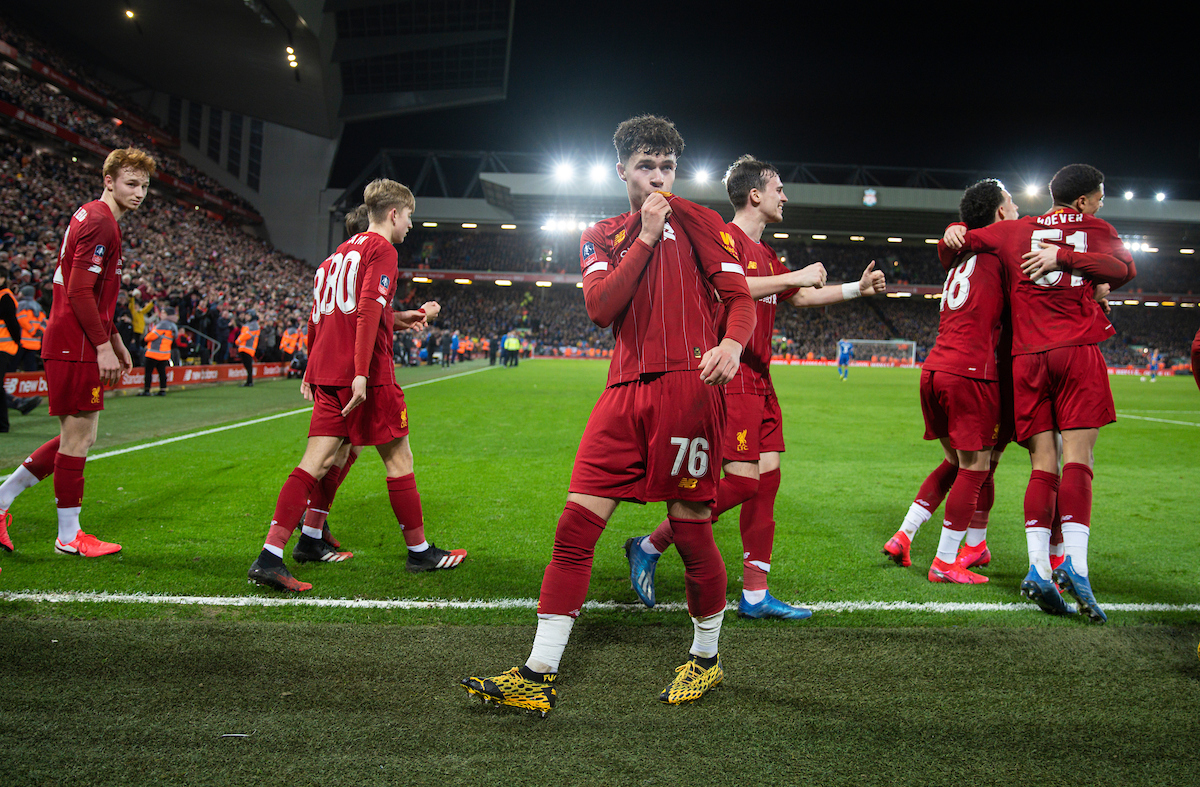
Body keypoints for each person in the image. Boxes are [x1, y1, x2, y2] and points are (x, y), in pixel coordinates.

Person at [461, 115, 756, 714]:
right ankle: (537, 671)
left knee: (692, 526)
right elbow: (600, 307)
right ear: (622, 170)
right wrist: (645, 237)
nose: (657, 178)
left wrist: (732, 343)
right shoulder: (602, 234)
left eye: (667, 168)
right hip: (622, 393)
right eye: (646, 167)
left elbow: (740, 300)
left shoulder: (702, 222)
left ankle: (705, 659)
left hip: (688, 389)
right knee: (575, 528)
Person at [624, 155, 886, 618]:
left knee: (767, 481)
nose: (785, 196)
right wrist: (792, 276)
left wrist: (854, 290)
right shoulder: (718, 237)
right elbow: (732, 284)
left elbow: (800, 295)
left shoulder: (766, 252)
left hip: (762, 378)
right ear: (755, 195)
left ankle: (755, 594)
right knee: (743, 484)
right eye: (779, 188)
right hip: (733, 373)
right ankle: (649, 544)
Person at [246, 178, 465, 592]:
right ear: (394, 214)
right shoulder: (383, 250)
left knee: (315, 462)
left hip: (328, 372)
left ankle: (271, 554)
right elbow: (365, 309)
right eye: (410, 217)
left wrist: (313, 369)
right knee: (400, 460)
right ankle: (420, 552)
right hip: (366, 375)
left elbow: (323, 316)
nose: (411, 227)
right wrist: (363, 373)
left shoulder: (332, 259)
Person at [941, 164, 1135, 622]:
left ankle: (1037, 568)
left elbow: (958, 242)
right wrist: (1071, 261)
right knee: (1078, 460)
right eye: (1100, 196)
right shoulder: (1096, 228)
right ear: (1084, 201)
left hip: (1026, 360)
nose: (1102, 203)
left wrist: (952, 228)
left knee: (1042, 463)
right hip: (1076, 352)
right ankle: (1075, 564)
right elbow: (1125, 269)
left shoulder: (1014, 229)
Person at [0, 147, 155, 557]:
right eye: (131, 183)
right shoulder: (102, 223)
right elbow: (80, 290)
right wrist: (103, 346)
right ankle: (69, 536)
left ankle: (1, 502)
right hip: (75, 343)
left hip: (78, 339)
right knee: (78, 439)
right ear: (109, 180)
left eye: (144, 185)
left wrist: (116, 339)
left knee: (80, 436)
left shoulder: (95, 216)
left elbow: (93, 293)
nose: (140, 192)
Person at [883, 180, 1015, 583]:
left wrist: (951, 234)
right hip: (970, 372)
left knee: (956, 462)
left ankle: (905, 535)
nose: (1016, 210)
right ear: (999, 214)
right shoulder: (1003, 246)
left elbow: (952, 244)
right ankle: (944, 561)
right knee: (977, 467)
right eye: (1011, 203)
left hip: (935, 367)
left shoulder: (961, 254)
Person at [139, 306, 177, 396]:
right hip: (165, 353)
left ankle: (147, 390)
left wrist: (146, 338)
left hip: (154, 352)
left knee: (148, 372)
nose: (161, 314)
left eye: (163, 312)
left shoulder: (162, 324)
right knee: (162, 373)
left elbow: (151, 336)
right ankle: (162, 390)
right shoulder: (173, 325)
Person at [16, 284, 46, 371]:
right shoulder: (39, 306)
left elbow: (22, 319)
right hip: (35, 342)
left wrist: (32, 331)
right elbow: (45, 322)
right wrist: (40, 331)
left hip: (23, 341)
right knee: (31, 367)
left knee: (13, 365)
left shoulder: (21, 305)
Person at [236, 310, 260, 386]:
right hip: (244, 347)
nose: (246, 316)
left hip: (248, 348)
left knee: (248, 366)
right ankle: (249, 381)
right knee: (247, 366)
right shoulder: (250, 324)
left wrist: (238, 340)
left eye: (248, 315)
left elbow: (248, 335)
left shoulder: (253, 325)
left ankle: (249, 381)